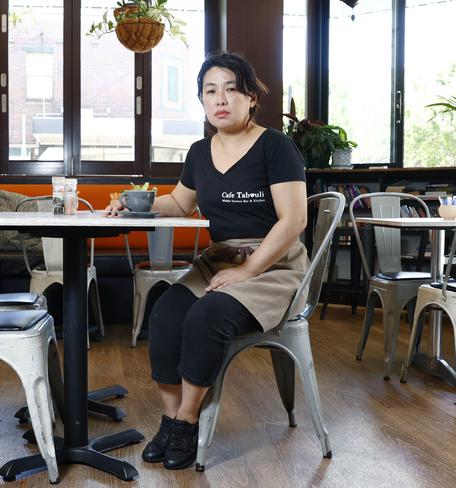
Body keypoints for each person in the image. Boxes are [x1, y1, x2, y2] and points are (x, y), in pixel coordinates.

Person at [107, 52, 309, 470]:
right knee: (165, 313)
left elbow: (294, 221)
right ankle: (169, 415)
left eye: (232, 89)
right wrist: (132, 203)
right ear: (201, 100)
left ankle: (187, 420)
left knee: (206, 315)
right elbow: (180, 204)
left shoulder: (276, 147)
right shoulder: (200, 152)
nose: (221, 99)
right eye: (210, 91)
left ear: (251, 97)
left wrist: (248, 270)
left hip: (272, 264)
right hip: (219, 261)